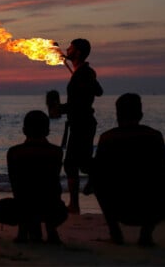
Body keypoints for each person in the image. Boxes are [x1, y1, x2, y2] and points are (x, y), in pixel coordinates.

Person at [91, 93, 165, 246]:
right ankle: (146, 234)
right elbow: (164, 172)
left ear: (117, 115)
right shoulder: (154, 136)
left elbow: (98, 173)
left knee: (97, 181)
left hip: (119, 206)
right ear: (141, 115)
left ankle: (115, 232)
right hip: (151, 208)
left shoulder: (107, 138)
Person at [7, 110, 67, 243]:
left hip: (24, 205)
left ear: (24, 130)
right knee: (49, 194)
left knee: (0, 207)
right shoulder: (56, 152)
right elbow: (52, 182)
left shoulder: (14, 152)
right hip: (52, 208)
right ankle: (51, 230)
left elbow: (15, 184)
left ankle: (23, 231)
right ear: (47, 131)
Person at [58, 38, 103, 214]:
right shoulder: (83, 72)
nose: (67, 50)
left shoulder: (84, 73)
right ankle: (95, 178)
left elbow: (81, 102)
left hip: (82, 123)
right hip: (80, 123)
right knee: (80, 164)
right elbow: (98, 91)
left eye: (70, 47)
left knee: (72, 164)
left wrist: (60, 108)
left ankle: (75, 205)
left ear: (77, 52)